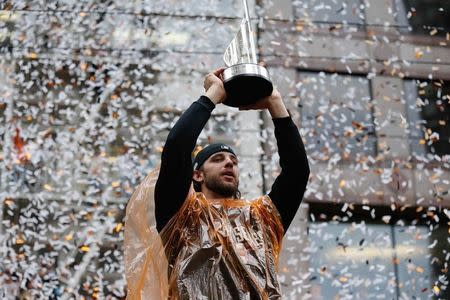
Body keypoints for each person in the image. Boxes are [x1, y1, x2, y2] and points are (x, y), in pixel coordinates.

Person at [124, 68, 309, 299]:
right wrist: (213, 95)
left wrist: (275, 102)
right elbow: (177, 145)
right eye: (218, 159)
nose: (229, 164)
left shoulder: (261, 219)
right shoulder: (181, 215)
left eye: (233, 160)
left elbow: (297, 172)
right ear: (197, 175)